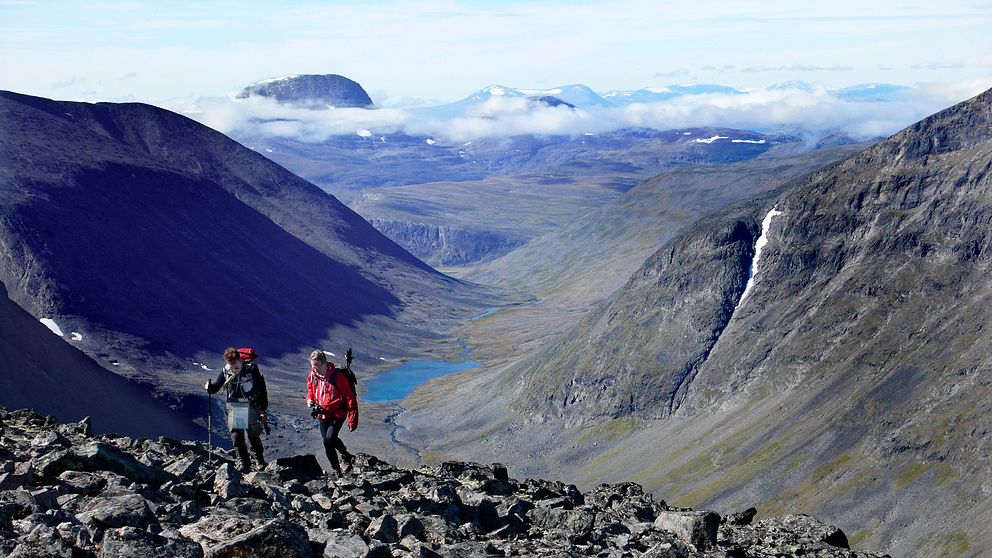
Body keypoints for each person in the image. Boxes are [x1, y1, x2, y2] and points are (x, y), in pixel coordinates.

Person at [205, 347, 269, 473]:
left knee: (253, 434)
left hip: (251, 405)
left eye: (235, 363)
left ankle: (259, 460)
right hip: (237, 406)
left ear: (240, 359)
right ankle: (244, 462)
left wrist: (263, 409)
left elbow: (261, 390)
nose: (234, 367)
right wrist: (210, 388)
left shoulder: (251, 370)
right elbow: (216, 387)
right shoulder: (226, 371)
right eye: (231, 364)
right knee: (237, 435)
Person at [306, 350, 359, 476]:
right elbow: (311, 391)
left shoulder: (337, 377)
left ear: (324, 364)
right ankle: (336, 470)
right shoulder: (312, 376)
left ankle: (345, 455)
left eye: (317, 366)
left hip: (338, 412)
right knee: (326, 442)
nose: (315, 369)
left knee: (330, 437)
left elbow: (350, 398)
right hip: (322, 412)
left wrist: (353, 419)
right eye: (313, 366)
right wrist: (309, 400)